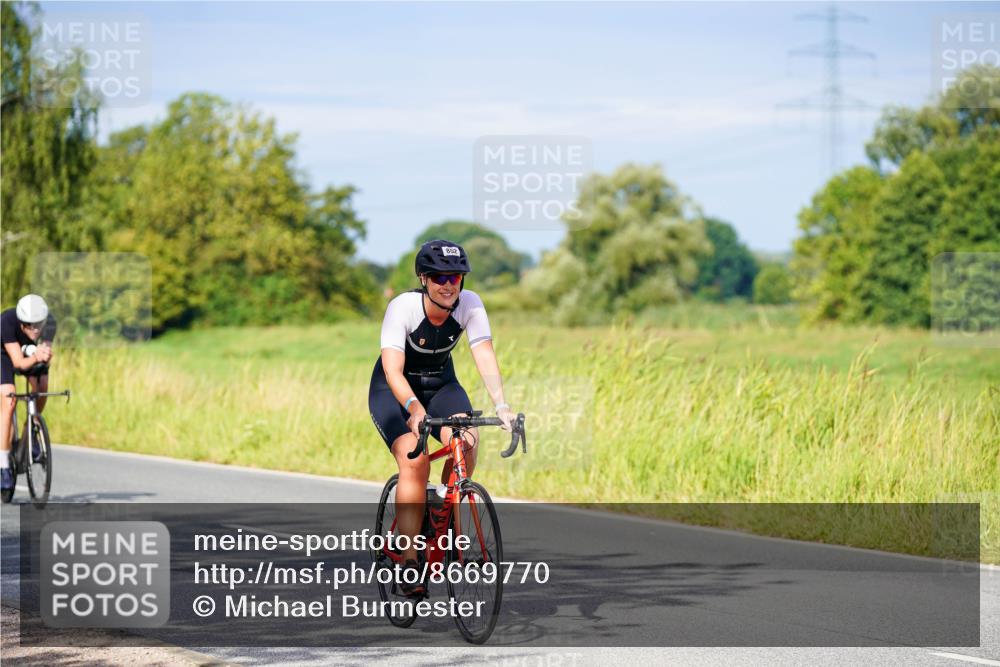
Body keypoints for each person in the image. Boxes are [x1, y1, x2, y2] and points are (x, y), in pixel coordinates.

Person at [368, 239, 516, 597]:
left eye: (456, 276)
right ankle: (408, 558)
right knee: (413, 460)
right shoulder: (402, 308)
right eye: (439, 277)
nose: (449, 284)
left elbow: (483, 353)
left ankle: (442, 510)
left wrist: (501, 406)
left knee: (465, 441)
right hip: (395, 389)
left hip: (441, 384)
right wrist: (414, 409)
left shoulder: (470, 303)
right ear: (424, 278)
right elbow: (392, 370)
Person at [1, 294, 57, 500]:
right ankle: (3, 466)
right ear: (21, 322)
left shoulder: (50, 323)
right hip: (6, 356)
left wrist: (43, 358)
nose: (35, 330)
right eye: (29, 326)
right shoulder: (7, 322)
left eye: (38, 326)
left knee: (40, 387)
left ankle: (31, 432)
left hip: (31, 355)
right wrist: (34, 356)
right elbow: (18, 363)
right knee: (8, 401)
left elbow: (43, 359)